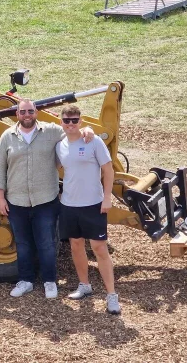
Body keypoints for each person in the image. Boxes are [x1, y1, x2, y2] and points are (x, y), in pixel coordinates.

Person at [0, 99, 94, 299]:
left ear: (36, 112)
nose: (27, 115)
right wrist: (0, 197)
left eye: (30, 111)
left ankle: (50, 281)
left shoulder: (50, 132)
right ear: (17, 114)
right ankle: (26, 281)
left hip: (45, 200)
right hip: (17, 200)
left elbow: (72, 130)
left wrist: (87, 130)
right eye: (23, 111)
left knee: (47, 243)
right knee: (22, 244)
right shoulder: (8, 136)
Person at [56, 105, 120, 314]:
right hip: (69, 204)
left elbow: (108, 170)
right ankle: (84, 285)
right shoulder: (60, 145)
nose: (71, 124)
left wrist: (107, 197)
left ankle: (111, 295)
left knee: (99, 248)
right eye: (67, 120)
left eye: (75, 120)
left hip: (93, 204)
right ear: (61, 122)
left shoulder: (93, 141)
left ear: (80, 121)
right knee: (76, 245)